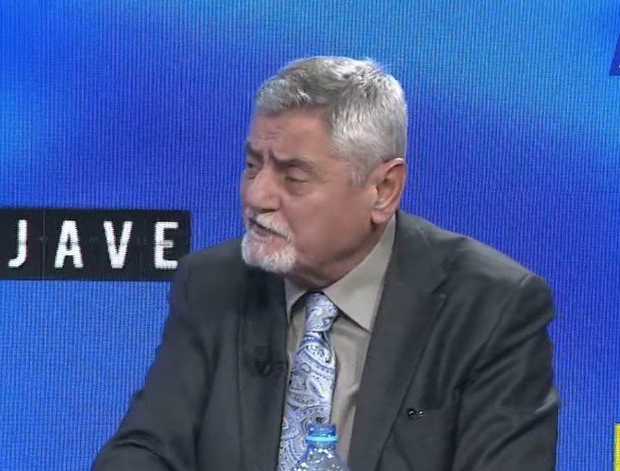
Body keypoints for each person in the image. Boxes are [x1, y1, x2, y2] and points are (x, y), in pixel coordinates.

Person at [92, 56, 558, 471]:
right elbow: (144, 449)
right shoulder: (213, 283)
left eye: (293, 177)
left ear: (384, 190)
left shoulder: (490, 307)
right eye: (253, 165)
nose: (257, 195)